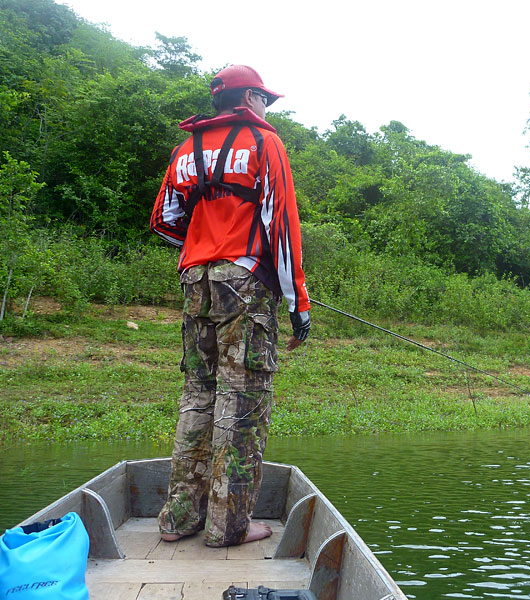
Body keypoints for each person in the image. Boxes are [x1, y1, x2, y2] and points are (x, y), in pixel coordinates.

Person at [150, 65, 310, 547]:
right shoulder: (264, 144)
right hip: (244, 282)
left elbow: (165, 219)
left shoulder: (186, 149)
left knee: (199, 394)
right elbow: (281, 226)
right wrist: (297, 301)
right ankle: (228, 527)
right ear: (248, 98)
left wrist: (207, 239)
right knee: (241, 402)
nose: (268, 108)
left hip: (195, 278)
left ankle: (179, 520)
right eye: (265, 99)